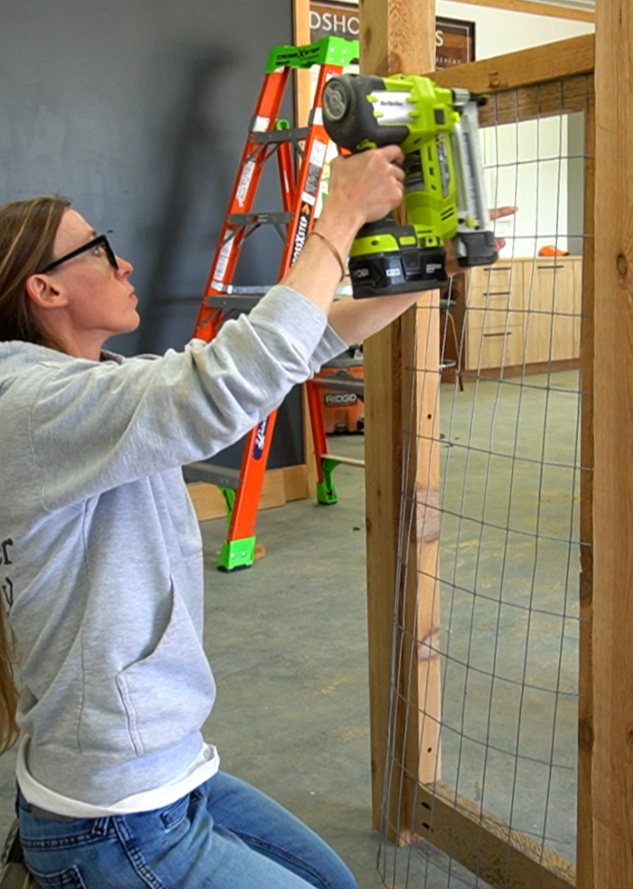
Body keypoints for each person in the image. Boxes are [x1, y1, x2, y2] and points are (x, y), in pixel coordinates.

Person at [0, 144, 420, 888]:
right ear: (45, 289)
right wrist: (337, 222)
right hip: (111, 814)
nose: (123, 264)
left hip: (167, 776)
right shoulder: (30, 406)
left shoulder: (86, 385)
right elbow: (222, 387)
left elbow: (304, 341)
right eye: (99, 249)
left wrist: (433, 272)